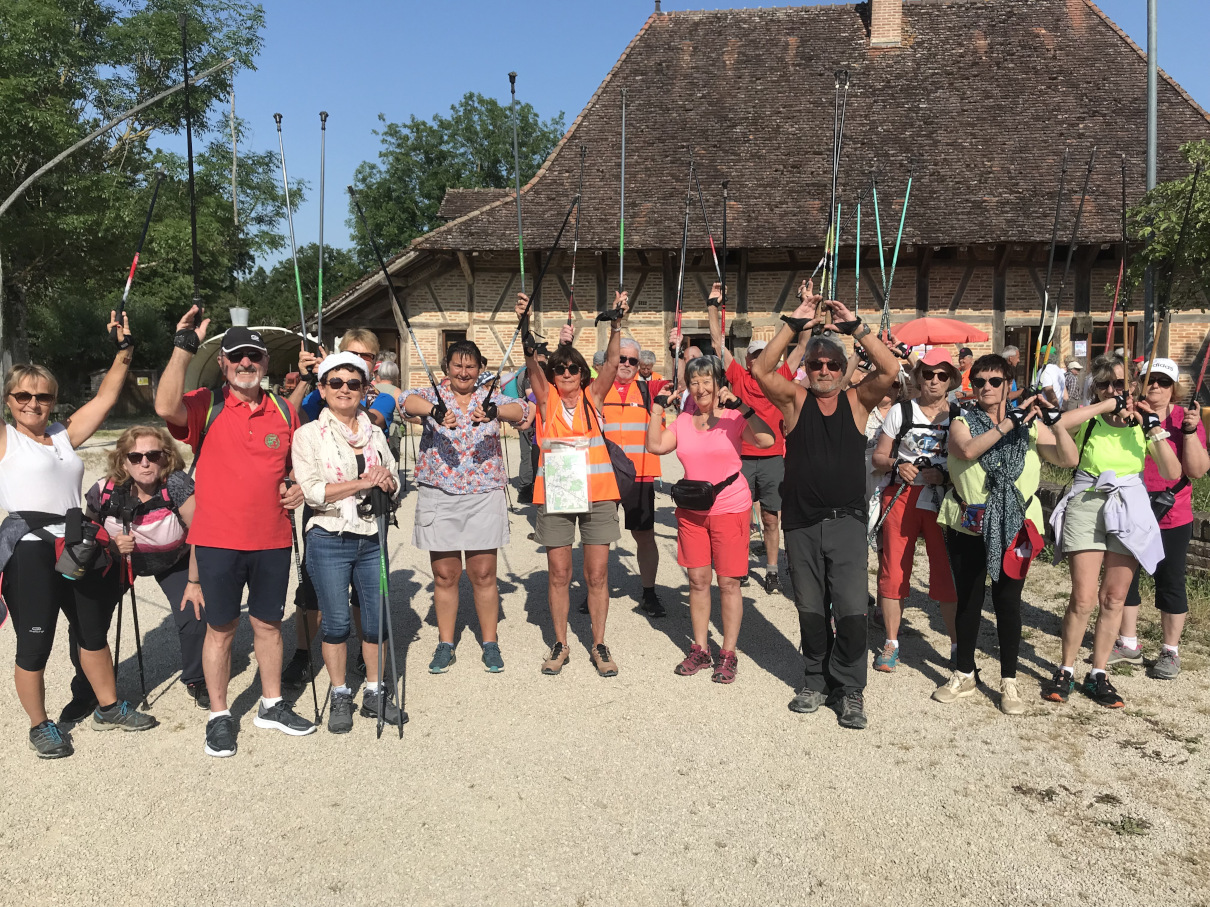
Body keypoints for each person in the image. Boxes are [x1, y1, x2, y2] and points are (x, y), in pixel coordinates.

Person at [155, 309, 314, 758]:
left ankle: (271, 704)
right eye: (237, 357)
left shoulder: (284, 409)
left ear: (265, 363)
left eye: (254, 357)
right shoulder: (206, 404)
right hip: (218, 541)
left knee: (269, 625)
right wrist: (183, 345)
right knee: (221, 630)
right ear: (223, 362)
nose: (246, 363)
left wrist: (296, 486)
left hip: (272, 539)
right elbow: (164, 406)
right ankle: (219, 715)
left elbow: (294, 467)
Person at [0, 312, 155, 760]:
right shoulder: (6, 438)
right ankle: (40, 725)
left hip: (76, 543)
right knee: (35, 642)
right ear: (9, 400)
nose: (33, 403)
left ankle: (108, 707)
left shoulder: (63, 436)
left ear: (53, 400)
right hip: (29, 549)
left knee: (92, 631)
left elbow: (106, 397)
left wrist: (124, 350)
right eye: (23, 395)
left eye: (43, 396)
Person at [752, 281, 899, 730]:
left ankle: (850, 688)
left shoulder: (856, 401)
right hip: (801, 523)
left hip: (846, 523)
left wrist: (856, 328)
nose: (823, 369)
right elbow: (761, 369)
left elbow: (890, 369)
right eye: (815, 363)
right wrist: (795, 322)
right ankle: (815, 680)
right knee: (811, 609)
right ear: (807, 368)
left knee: (852, 609)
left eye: (832, 363)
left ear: (842, 368)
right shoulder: (795, 402)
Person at [936, 355, 1078, 714]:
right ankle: (964, 673)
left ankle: (1009, 680)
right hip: (970, 522)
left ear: (1008, 385)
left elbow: (1068, 459)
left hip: (1016, 525)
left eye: (995, 381)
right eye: (979, 381)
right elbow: (967, 449)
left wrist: (1055, 421)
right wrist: (1008, 423)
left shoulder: (1029, 428)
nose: (986, 387)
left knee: (1008, 602)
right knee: (969, 599)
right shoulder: (961, 421)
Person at [1044, 357, 1181, 709]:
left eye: (1119, 383)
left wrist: (1153, 426)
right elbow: (1059, 422)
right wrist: (1105, 406)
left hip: (1129, 504)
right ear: (1095, 388)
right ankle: (1066, 669)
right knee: (1083, 597)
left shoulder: (1141, 424)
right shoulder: (1091, 418)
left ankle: (1099, 672)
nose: (1112, 390)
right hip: (1088, 500)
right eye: (1104, 384)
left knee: (1115, 597)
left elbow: (1172, 471)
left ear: (1132, 385)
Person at [516, 290, 629, 677]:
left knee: (596, 575)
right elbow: (532, 363)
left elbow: (612, 363)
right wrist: (525, 327)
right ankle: (561, 643)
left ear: (583, 374)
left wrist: (617, 325)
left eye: (573, 369)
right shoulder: (545, 399)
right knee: (559, 574)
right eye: (560, 369)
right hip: (557, 494)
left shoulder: (593, 396)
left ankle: (599, 643)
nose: (566, 373)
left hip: (598, 495)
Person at [292, 352, 404, 734]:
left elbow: (395, 480)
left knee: (375, 620)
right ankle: (340, 693)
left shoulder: (375, 433)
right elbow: (312, 491)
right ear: (323, 389)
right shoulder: (308, 435)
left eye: (353, 383)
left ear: (364, 389)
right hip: (328, 536)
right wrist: (363, 483)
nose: (344, 389)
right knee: (337, 622)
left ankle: (374, 691)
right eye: (335, 382)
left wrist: (388, 481)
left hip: (372, 535)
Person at [645, 357, 774, 682]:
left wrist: (742, 406)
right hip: (692, 512)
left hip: (730, 507)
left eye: (707, 381)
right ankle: (700, 649)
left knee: (728, 583)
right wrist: (658, 409)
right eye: (694, 382)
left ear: (719, 385)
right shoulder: (683, 422)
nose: (701, 388)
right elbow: (655, 445)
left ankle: (728, 654)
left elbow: (767, 440)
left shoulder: (733, 418)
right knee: (698, 581)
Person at [401, 341, 526, 674]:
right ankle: (446, 643)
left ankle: (490, 642)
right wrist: (433, 412)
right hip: (439, 493)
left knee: (483, 574)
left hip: (483, 494)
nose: (464, 372)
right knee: (445, 575)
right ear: (447, 366)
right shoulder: (433, 395)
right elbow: (405, 401)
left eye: (470, 366)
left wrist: (495, 412)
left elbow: (522, 411)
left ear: (480, 368)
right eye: (457, 365)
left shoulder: (490, 397)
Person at [76, 426, 205, 712]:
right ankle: (87, 688)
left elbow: (199, 534)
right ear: (123, 461)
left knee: (194, 611)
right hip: (118, 561)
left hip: (174, 559)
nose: (144, 463)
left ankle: (197, 678)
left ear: (166, 457)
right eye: (135, 457)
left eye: (153, 455)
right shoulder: (105, 490)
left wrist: (194, 583)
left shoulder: (177, 485)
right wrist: (111, 544)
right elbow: (89, 533)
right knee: (87, 621)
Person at [706, 282, 806, 594]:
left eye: (766, 354)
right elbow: (717, 342)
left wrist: (806, 306)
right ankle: (741, 566)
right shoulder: (739, 376)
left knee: (771, 518)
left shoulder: (782, 377)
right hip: (743, 458)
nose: (762, 359)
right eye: (756, 355)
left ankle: (773, 570)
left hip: (774, 457)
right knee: (740, 519)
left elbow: (801, 346)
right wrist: (712, 306)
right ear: (749, 360)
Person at [1115, 359, 1209, 679]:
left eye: (1163, 381)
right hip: (1131, 507)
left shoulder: (1184, 419)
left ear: (1174, 389)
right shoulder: (1128, 416)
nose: (1155, 385)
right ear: (1139, 384)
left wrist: (1190, 432)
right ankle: (1128, 643)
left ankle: (1170, 651)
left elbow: (1197, 471)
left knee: (1170, 581)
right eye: (1149, 379)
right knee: (1125, 578)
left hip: (1172, 512)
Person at [869, 348, 960, 672]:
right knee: (894, 570)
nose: (934, 380)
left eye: (941, 375)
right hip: (902, 495)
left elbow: (970, 460)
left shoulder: (959, 414)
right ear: (919, 376)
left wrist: (945, 475)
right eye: (928, 373)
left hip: (942, 499)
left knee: (947, 573)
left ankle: (957, 645)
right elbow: (878, 457)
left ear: (950, 380)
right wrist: (898, 464)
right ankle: (891, 643)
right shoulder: (901, 411)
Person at [599, 335, 669, 616]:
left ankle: (649, 593)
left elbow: (683, 382)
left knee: (644, 535)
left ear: (640, 365)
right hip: (604, 473)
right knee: (598, 538)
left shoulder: (649, 390)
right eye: (621, 358)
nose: (626, 364)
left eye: (633, 360)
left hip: (640, 473)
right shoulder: (597, 389)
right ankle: (594, 591)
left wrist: (676, 350)